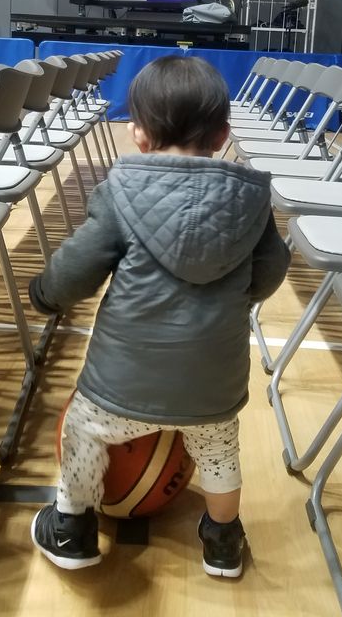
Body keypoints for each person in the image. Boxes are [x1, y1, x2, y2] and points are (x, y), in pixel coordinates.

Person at [28, 55, 290, 578]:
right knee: (219, 452)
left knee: (83, 431)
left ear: (139, 134)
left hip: (121, 383)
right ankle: (223, 542)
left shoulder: (120, 192)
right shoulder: (251, 202)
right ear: (222, 135)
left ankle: (71, 528)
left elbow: (77, 268)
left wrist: (46, 295)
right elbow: (271, 270)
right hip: (212, 387)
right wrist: (239, 300)